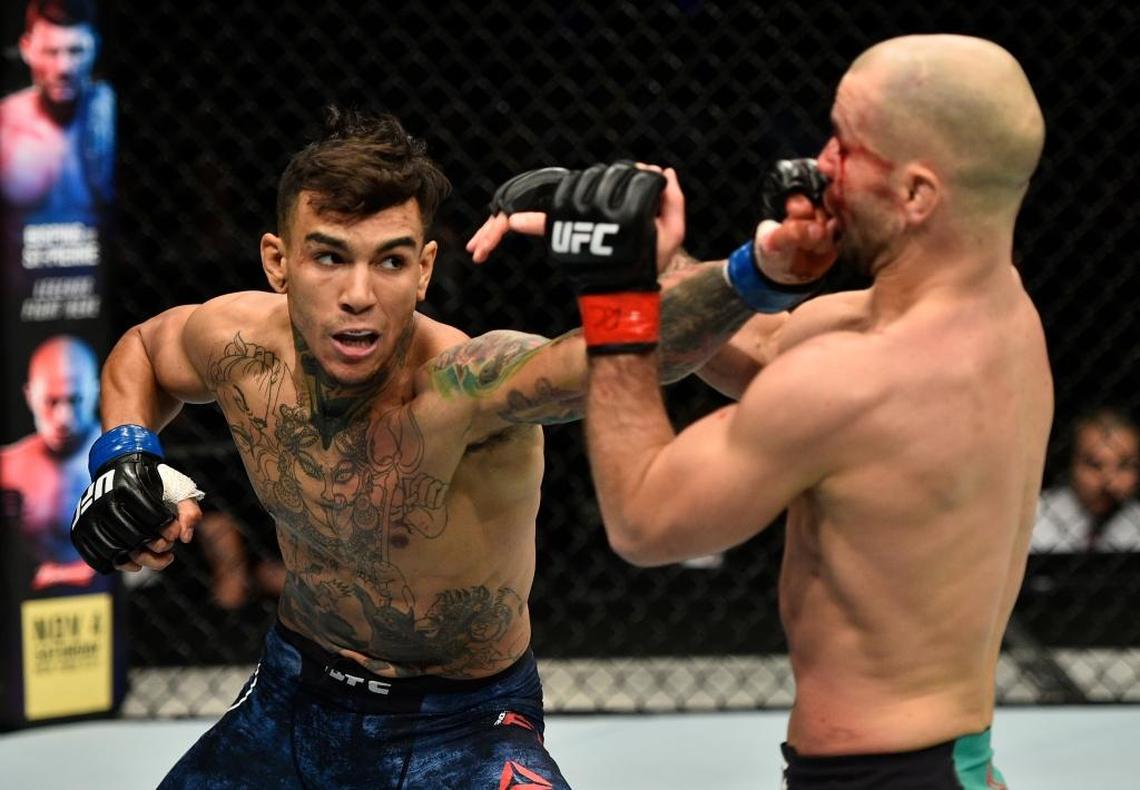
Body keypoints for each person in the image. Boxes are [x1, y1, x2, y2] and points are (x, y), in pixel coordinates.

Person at [68, 108, 757, 787]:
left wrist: (745, 272)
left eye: (390, 261)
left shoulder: (468, 384)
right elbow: (146, 351)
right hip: (293, 694)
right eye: (330, 257)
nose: (359, 295)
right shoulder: (240, 343)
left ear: (425, 270)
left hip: (464, 726)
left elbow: (636, 355)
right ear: (279, 262)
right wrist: (126, 456)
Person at [511, 34, 1048, 788]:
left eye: (848, 149)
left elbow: (644, 518)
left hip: (887, 776)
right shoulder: (1002, 316)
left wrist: (616, 298)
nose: (818, 166)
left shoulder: (863, 379)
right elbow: (773, 348)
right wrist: (679, 260)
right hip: (948, 760)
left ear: (918, 196)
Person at [1, 0, 114, 287]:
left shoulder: (109, 113)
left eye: (76, 51)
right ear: (27, 48)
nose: (63, 67)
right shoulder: (5, 122)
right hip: (18, 297)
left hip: (101, 294)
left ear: (96, 47)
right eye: (51, 52)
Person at [1, 334, 104, 591]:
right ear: (30, 395)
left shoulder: (122, 456)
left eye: (74, 399)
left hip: (117, 592)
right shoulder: (9, 467)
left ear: (95, 391)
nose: (64, 418)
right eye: (51, 401)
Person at [1031, 408, 1140, 552]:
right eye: (1094, 464)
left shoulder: (1136, 520)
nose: (1109, 481)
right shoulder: (1032, 517)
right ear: (1070, 463)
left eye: (1124, 466)